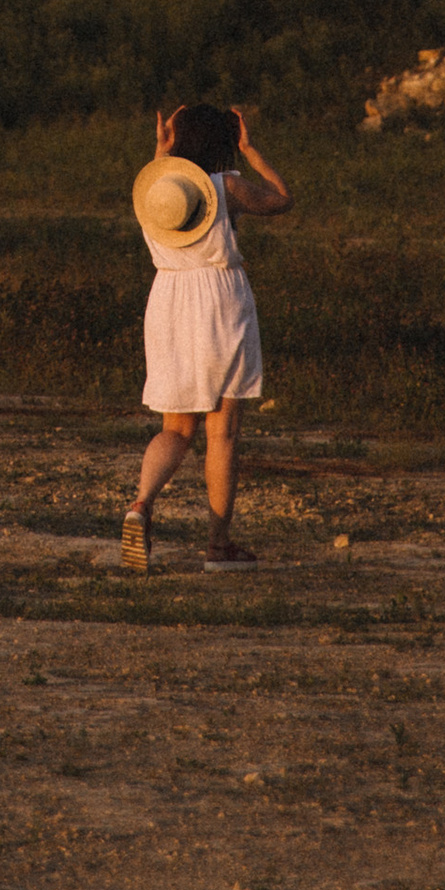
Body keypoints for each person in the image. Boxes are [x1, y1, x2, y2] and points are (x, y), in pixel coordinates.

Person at [121, 99, 291, 570]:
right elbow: (282, 199)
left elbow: (167, 175)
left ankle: (140, 504)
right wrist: (252, 151)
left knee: (175, 427)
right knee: (224, 430)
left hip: (168, 302)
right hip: (219, 301)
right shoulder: (227, 186)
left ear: (175, 139)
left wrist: (162, 149)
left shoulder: (154, 189)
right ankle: (218, 547)